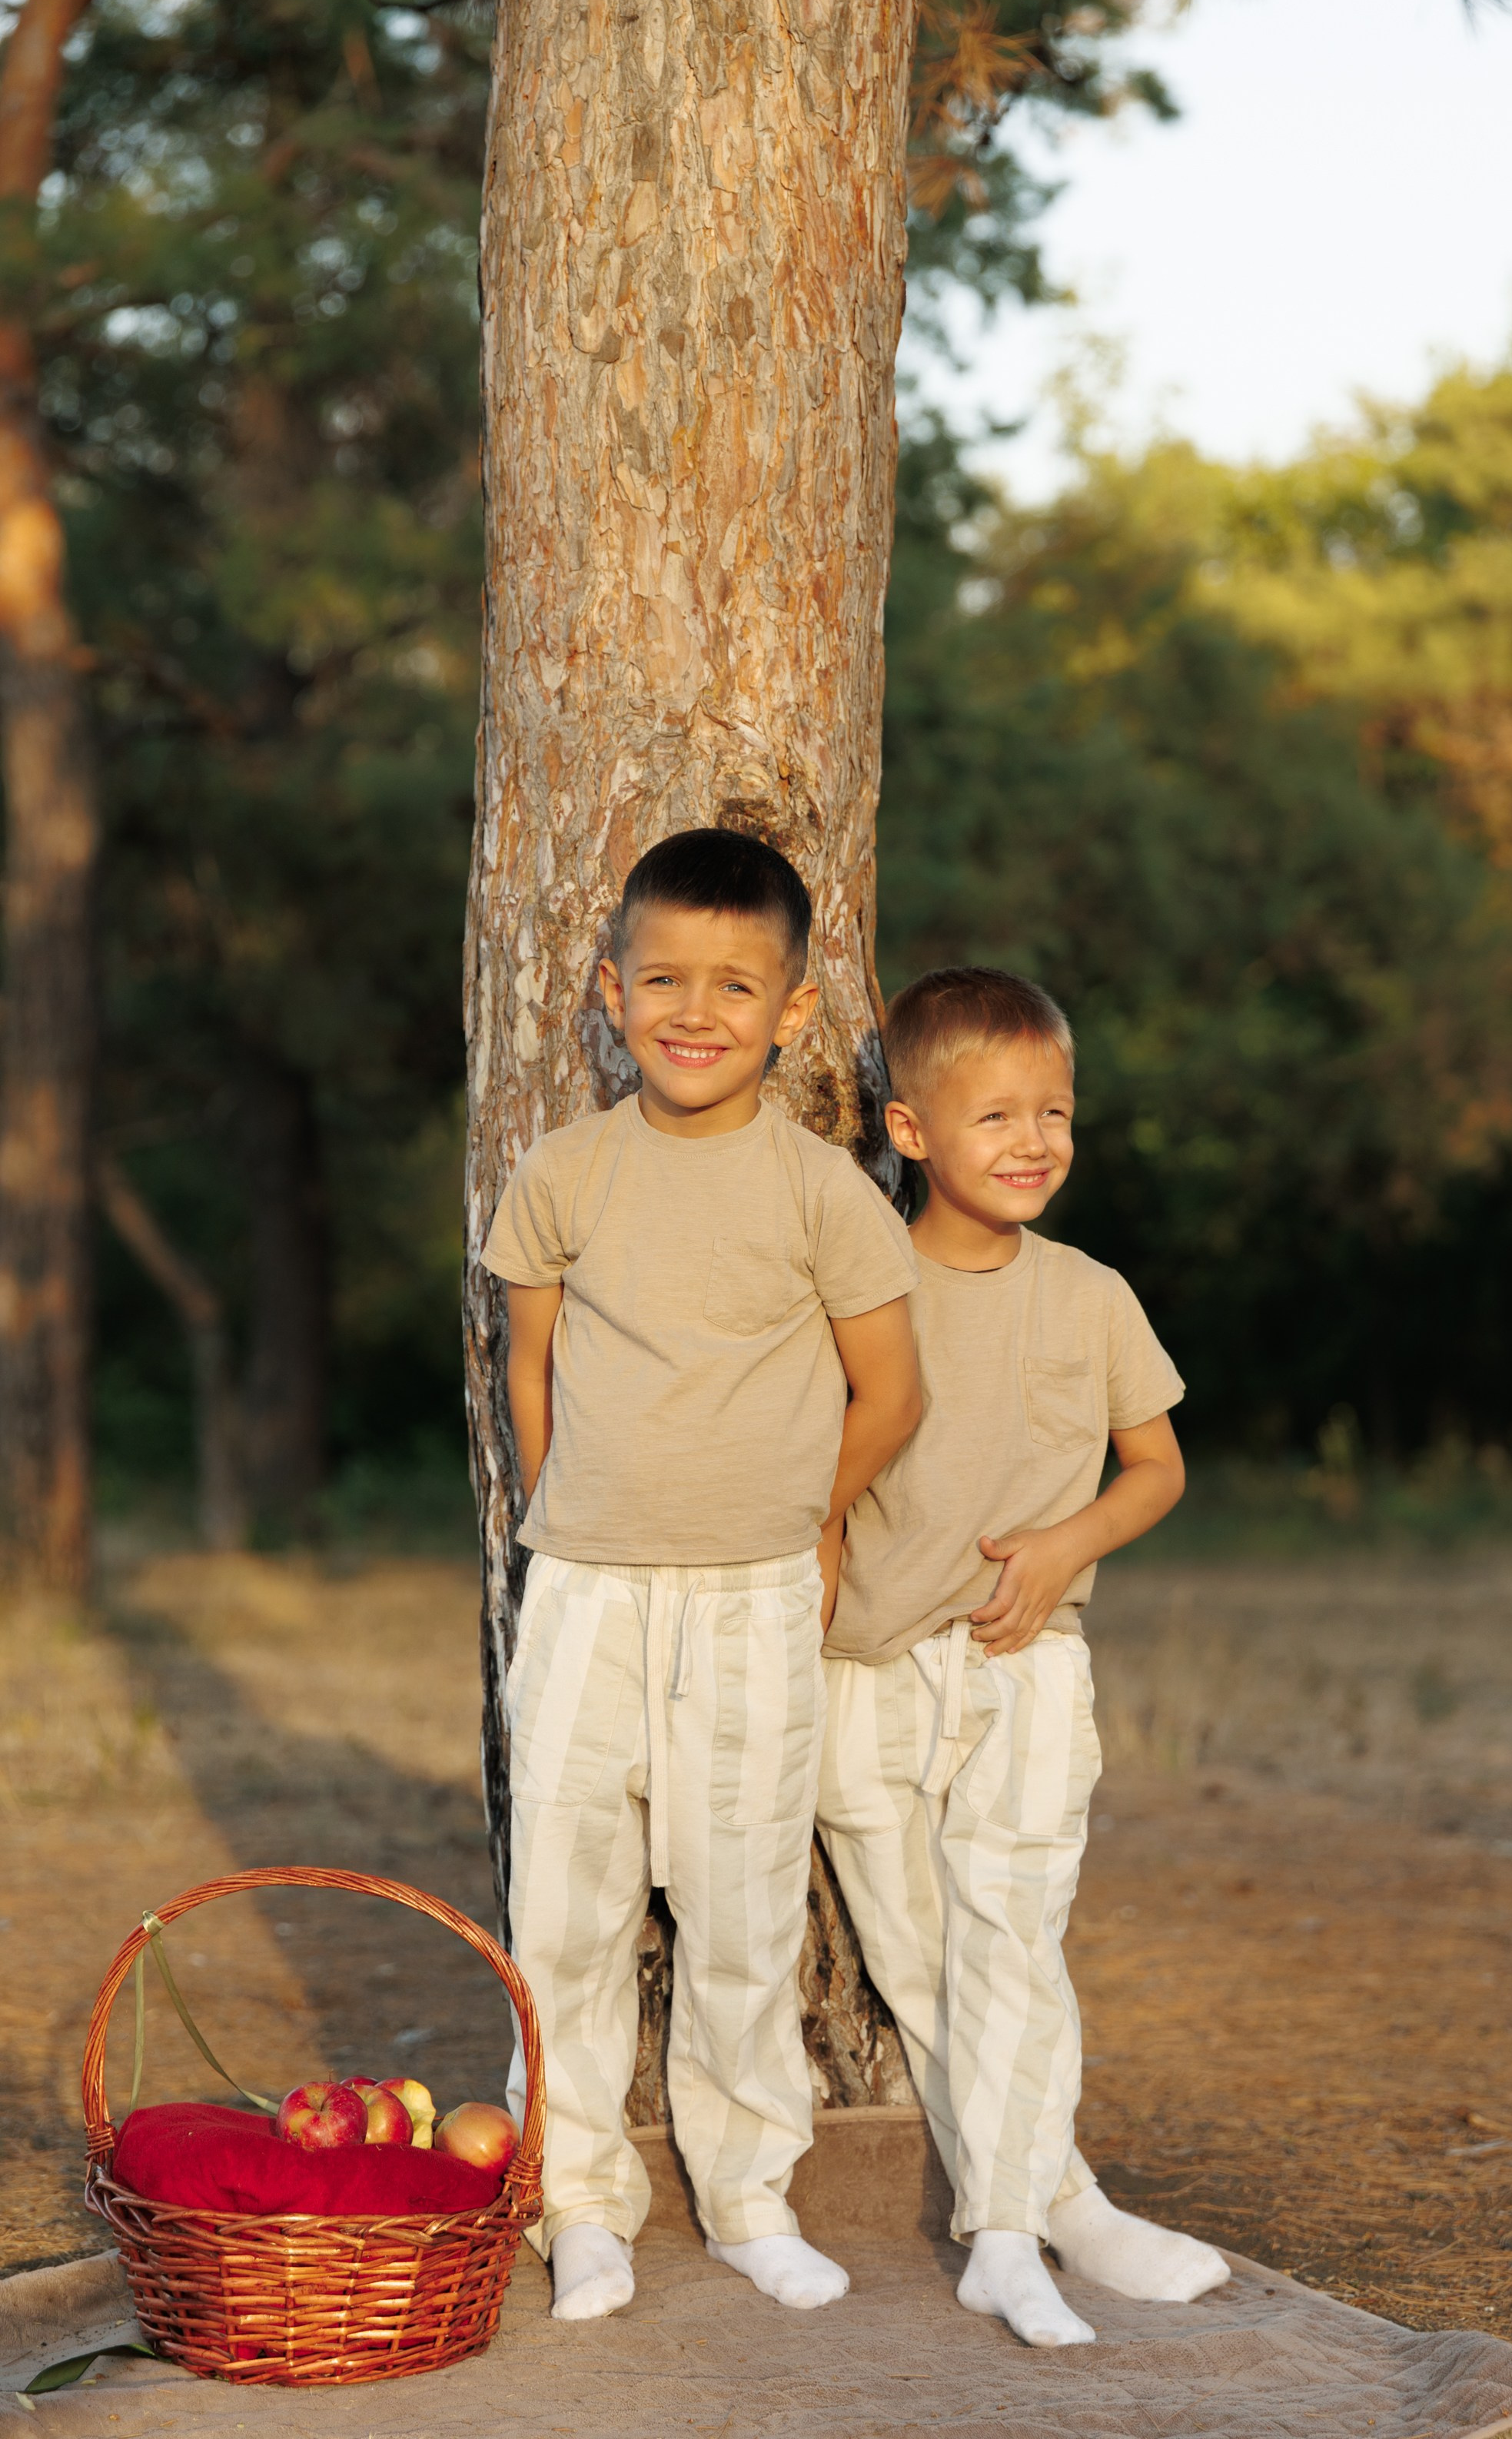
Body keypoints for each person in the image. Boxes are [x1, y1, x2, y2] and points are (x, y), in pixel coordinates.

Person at [482, 829, 922, 2322]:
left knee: (740, 1904)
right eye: (662, 976)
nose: (694, 1009)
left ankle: (745, 2194)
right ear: (609, 988)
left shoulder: (821, 1194)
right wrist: (559, 1506)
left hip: (749, 1595)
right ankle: (576, 2201)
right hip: (591, 1591)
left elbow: (890, 1391)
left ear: (790, 1011)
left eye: (734, 984)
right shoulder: (565, 1171)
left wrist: (814, 1516)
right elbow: (526, 1357)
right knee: (568, 1902)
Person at [816, 965, 1232, 2348]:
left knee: (1017, 1942)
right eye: (994, 1115)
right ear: (911, 1131)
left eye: (1053, 1111)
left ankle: (1006, 2234)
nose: (1032, 1141)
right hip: (866, 1672)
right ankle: (1055, 2198)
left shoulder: (1089, 1294)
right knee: (920, 1961)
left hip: (1026, 1663)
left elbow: (1156, 1465)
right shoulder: (860, 1285)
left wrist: (1066, 1542)